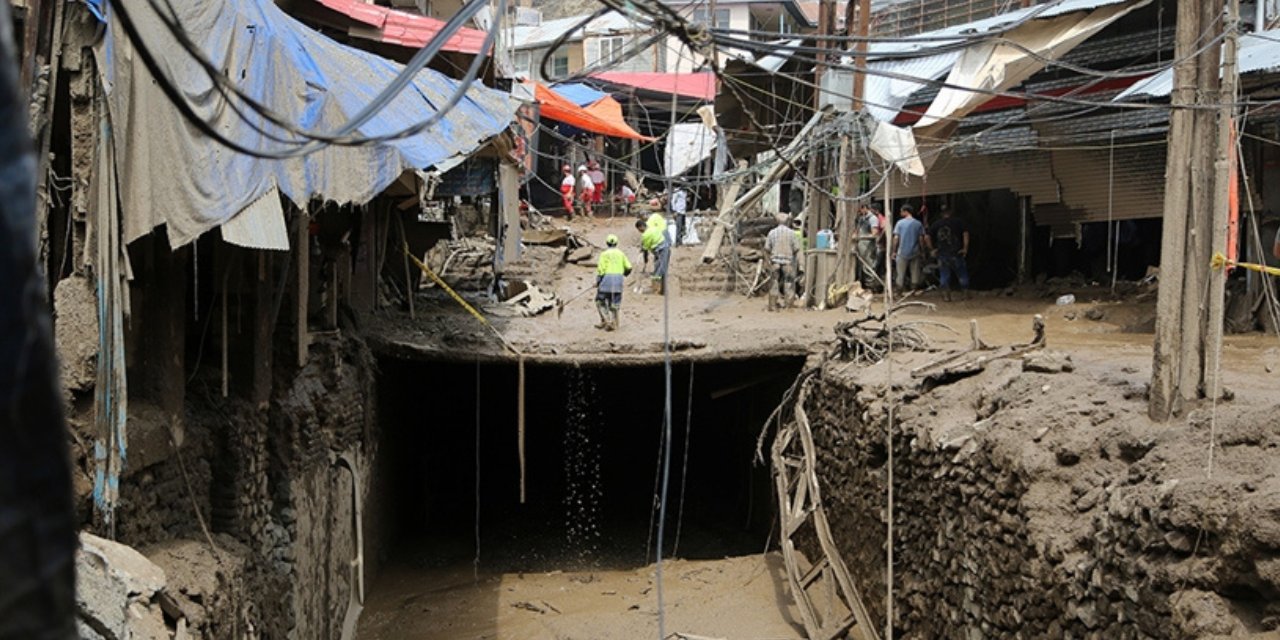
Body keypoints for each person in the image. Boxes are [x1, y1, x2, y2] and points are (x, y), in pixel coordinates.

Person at [925, 204, 970, 300]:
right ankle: (965, 294)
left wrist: (932, 249)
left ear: (941, 213)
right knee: (962, 273)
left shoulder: (936, 224)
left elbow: (927, 237)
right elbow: (965, 234)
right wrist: (965, 248)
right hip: (957, 253)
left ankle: (946, 296)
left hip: (942, 254)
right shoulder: (958, 222)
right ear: (951, 212)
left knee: (944, 274)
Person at [595, 234, 633, 331]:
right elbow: (629, 267)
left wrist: (598, 281)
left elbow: (601, 270)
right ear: (616, 243)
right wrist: (624, 274)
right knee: (615, 303)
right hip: (618, 281)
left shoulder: (604, 254)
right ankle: (615, 323)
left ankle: (606, 321)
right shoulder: (621, 253)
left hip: (606, 281)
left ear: (607, 243)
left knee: (600, 301)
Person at [765, 213, 800, 310]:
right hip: (788, 262)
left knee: (774, 283)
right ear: (787, 221)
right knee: (788, 283)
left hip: (775, 262)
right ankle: (788, 306)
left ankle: (772, 306)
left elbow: (767, 248)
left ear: (776, 221)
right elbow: (796, 248)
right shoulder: (791, 233)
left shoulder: (772, 233)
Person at [892, 203, 925, 292]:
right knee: (915, 272)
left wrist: (894, 251)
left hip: (902, 252)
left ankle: (899, 290)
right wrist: (922, 250)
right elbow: (921, 239)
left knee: (900, 273)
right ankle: (913, 290)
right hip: (915, 252)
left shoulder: (899, 223)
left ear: (906, 212)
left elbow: (896, 238)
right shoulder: (918, 223)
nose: (900, 213)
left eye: (901, 211)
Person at [636, 217, 670, 294]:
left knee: (660, 269)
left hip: (661, 250)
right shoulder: (652, 227)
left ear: (641, 227)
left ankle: (657, 287)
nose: (639, 232)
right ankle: (660, 289)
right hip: (664, 248)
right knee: (660, 267)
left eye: (639, 230)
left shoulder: (646, 235)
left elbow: (645, 251)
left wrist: (645, 260)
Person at [856, 203, 883, 290]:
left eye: (860, 209)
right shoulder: (862, 218)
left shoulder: (873, 218)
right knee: (861, 266)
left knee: (868, 265)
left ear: (865, 208)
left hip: (868, 245)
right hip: (861, 244)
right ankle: (863, 285)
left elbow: (874, 233)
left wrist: (861, 237)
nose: (859, 211)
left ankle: (871, 286)